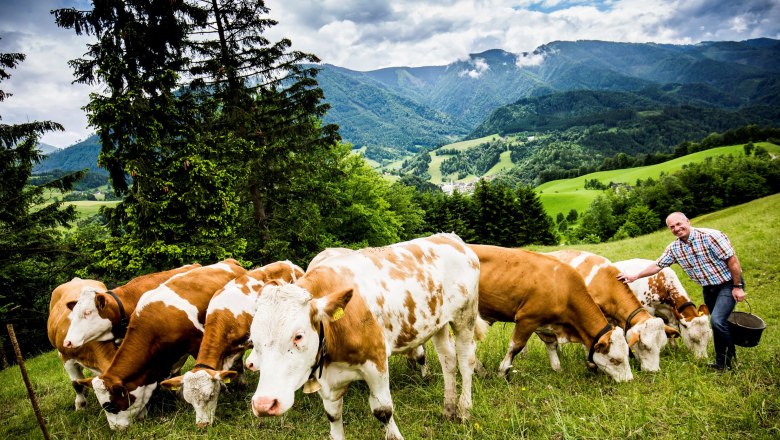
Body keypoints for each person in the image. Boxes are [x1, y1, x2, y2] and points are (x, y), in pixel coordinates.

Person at [616, 212, 746, 371]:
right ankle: (729, 359)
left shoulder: (711, 236)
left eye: (679, 224)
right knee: (721, 322)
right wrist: (635, 276)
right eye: (672, 227)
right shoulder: (675, 248)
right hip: (708, 288)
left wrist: (738, 286)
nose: (676, 228)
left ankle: (723, 364)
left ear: (688, 221)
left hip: (728, 284)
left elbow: (732, 260)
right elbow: (657, 265)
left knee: (717, 321)